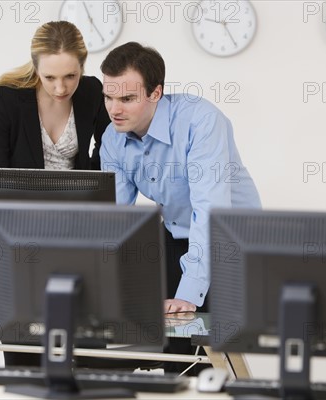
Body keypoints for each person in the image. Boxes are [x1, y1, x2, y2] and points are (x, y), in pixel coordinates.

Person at [0, 21, 111, 366]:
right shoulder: (5, 100)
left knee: (89, 352)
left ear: (82, 67)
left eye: (70, 76)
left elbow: (111, 160)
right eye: (50, 77)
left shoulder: (94, 92)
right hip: (17, 238)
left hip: (77, 235)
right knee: (25, 358)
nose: (61, 87)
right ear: (35, 66)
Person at [100, 42, 262, 373]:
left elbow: (210, 212)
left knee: (199, 346)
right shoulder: (113, 138)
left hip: (232, 239)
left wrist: (189, 292)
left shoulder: (201, 122)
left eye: (127, 99)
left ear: (156, 93)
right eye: (108, 97)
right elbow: (116, 221)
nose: (114, 109)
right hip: (177, 233)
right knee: (172, 348)